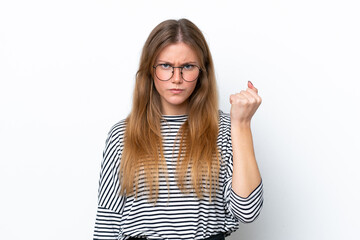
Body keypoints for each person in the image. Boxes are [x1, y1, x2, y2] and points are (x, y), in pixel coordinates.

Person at [93, 18, 263, 240]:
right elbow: (108, 218)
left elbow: (247, 211)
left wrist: (241, 124)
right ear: (149, 70)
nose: (176, 79)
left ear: (202, 71)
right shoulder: (122, 134)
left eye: (187, 67)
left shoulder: (224, 129)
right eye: (165, 66)